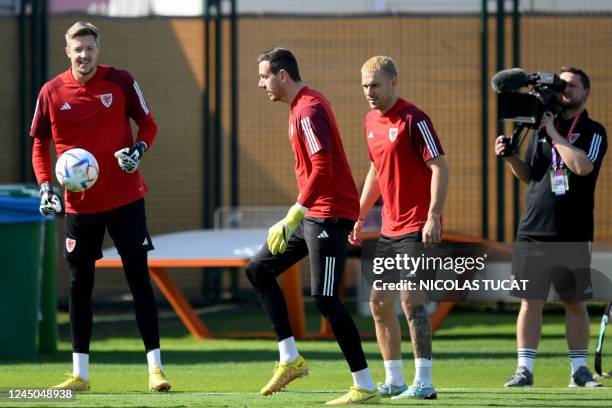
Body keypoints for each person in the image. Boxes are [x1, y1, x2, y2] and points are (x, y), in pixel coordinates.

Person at [31, 22, 170, 392]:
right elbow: (39, 146)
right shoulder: (50, 92)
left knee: (139, 279)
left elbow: (149, 124)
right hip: (80, 207)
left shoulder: (121, 81)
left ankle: (156, 369)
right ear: (67, 51)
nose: (84, 56)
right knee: (80, 286)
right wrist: (46, 187)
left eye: (90, 49)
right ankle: (80, 375)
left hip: (126, 199)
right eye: (78, 50)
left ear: (98, 49)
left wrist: (138, 152)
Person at [248, 47, 379, 405]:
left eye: (264, 76)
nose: (261, 84)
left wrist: (292, 214)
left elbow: (322, 168)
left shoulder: (308, 108)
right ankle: (290, 359)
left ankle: (364, 384)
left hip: (331, 214)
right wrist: (299, 215)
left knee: (324, 298)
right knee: (258, 270)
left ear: (283, 75)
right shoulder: (300, 107)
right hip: (313, 214)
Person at [496, 67, 607, 388]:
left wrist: (555, 135)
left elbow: (582, 167)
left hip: (573, 232)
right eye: (561, 85)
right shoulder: (541, 128)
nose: (564, 90)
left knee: (574, 302)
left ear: (587, 92)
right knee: (531, 301)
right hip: (533, 230)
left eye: (572, 85)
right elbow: (531, 175)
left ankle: (579, 372)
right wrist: (510, 157)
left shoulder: (593, 130)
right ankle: (524, 370)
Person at [349, 56, 448, 400]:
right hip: (389, 229)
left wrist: (434, 216)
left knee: (411, 302)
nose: (369, 92)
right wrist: (359, 215)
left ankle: (424, 382)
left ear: (394, 82)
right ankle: (394, 380)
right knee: (378, 303)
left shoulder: (414, 119)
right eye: (364, 86)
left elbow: (439, 168)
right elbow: (375, 170)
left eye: (375, 85)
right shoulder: (369, 121)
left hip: (417, 226)